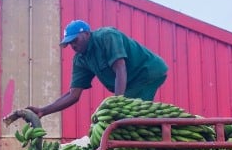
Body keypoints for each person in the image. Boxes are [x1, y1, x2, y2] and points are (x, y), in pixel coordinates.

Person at [27, 19, 168, 118]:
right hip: (130, 82)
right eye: (70, 44)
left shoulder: (107, 36)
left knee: (128, 114)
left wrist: (117, 102)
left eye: (75, 40)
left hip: (148, 71)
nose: (73, 46)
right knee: (124, 112)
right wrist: (43, 111)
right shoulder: (80, 59)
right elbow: (73, 95)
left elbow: (120, 68)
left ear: (87, 34)